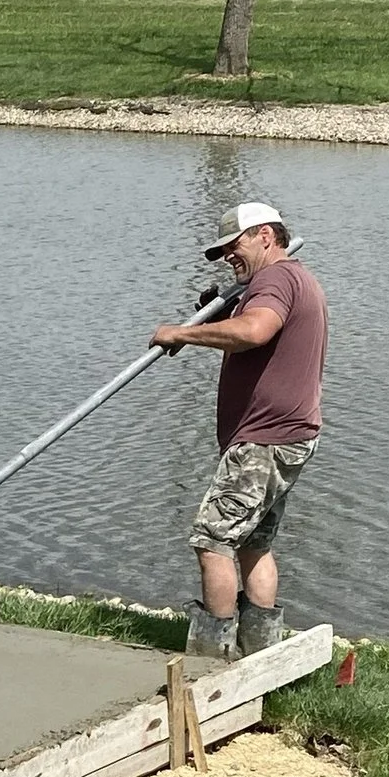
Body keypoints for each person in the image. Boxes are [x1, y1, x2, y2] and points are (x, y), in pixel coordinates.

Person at [149, 202, 327, 661]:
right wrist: (213, 323)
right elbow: (252, 334)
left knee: (213, 540)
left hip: (265, 439)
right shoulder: (291, 279)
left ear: (265, 235)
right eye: (224, 250)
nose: (230, 255)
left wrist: (182, 334)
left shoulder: (274, 280)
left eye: (235, 245)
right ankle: (259, 655)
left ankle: (212, 662)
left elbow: (254, 332)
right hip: (290, 434)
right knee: (252, 543)